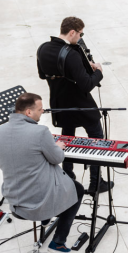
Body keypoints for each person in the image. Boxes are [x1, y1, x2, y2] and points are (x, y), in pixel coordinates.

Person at [0, 91, 85, 253]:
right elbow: (56, 159)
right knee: (78, 189)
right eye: (40, 109)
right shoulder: (40, 132)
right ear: (28, 112)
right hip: (39, 201)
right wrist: (58, 147)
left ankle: (46, 220)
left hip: (15, 201)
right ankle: (59, 240)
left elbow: (0, 161)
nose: (43, 112)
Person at [37, 17, 107, 190]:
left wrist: (78, 70)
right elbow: (87, 84)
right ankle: (95, 183)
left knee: (67, 139)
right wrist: (98, 71)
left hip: (59, 102)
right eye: (80, 34)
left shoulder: (43, 48)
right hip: (80, 103)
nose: (81, 37)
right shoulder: (72, 53)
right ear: (72, 32)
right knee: (97, 139)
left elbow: (42, 74)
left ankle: (67, 177)